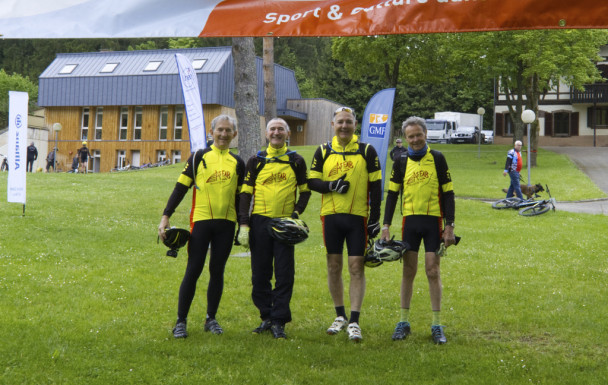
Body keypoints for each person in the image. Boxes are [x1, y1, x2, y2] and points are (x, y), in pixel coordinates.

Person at [158, 115, 245, 339]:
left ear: (234, 134)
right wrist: (166, 215)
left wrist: (244, 224)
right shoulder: (198, 157)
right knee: (193, 270)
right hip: (201, 221)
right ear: (211, 132)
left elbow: (240, 198)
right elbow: (180, 188)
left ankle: (211, 318)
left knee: (217, 271)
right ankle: (180, 321)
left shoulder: (238, 163)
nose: (224, 134)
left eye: (228, 131)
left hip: (226, 224)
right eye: (220, 130)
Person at [308, 107, 382, 342]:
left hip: (357, 217)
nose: (344, 126)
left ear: (355, 125)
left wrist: (375, 219)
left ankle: (355, 321)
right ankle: (340, 315)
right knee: (333, 266)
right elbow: (312, 181)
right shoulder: (323, 150)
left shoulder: (367, 150)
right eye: (340, 122)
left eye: (348, 122)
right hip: (330, 216)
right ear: (333, 125)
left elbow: (377, 187)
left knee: (356, 267)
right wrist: (331, 186)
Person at [381, 116, 455, 345]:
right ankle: (403, 322)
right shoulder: (400, 160)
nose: (415, 140)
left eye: (418, 135)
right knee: (408, 271)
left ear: (425, 134)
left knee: (433, 271)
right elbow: (392, 194)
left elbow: (448, 194)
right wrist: (386, 226)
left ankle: (437, 324)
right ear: (405, 138)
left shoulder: (438, 158)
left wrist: (449, 226)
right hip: (409, 223)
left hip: (433, 221)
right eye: (410, 136)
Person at [237, 118, 311, 339]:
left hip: (284, 224)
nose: (276, 132)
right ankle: (266, 316)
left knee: (284, 273)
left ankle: (279, 320)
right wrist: (244, 224)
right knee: (260, 274)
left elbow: (305, 191)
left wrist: (295, 215)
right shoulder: (256, 160)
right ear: (266, 134)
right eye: (273, 129)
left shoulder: (296, 160)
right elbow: (245, 194)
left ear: (288, 134)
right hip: (259, 222)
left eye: (281, 129)